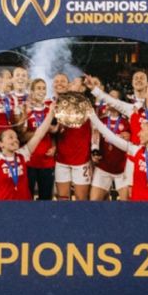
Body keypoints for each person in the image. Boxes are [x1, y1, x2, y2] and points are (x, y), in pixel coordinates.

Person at [88, 112, 148, 202]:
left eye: (142, 130)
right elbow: (110, 136)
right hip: (136, 207)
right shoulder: (136, 150)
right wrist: (91, 114)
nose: (138, 134)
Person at [0, 105, 55, 200]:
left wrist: (50, 114)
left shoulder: (23, 155)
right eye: (11, 137)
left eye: (16, 138)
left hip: (25, 208)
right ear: (1, 144)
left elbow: (39, 135)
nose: (15, 140)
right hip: (5, 210)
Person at [52, 73, 93, 201]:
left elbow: (95, 130)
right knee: (62, 199)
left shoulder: (88, 105)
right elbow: (53, 131)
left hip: (81, 159)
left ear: (82, 89)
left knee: (81, 199)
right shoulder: (55, 104)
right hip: (62, 158)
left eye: (72, 83)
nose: (69, 85)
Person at [19, 78, 57, 201]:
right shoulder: (26, 110)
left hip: (47, 161)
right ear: (32, 91)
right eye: (38, 88)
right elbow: (22, 136)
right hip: (29, 161)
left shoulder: (50, 110)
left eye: (44, 88)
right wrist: (42, 129)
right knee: (27, 197)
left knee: (46, 199)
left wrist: (54, 146)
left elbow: (55, 133)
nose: (42, 91)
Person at [89, 90, 131, 201]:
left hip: (122, 169)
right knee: (94, 202)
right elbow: (95, 138)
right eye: (107, 97)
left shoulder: (128, 123)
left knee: (127, 205)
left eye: (112, 97)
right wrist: (94, 151)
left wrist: (130, 138)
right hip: (103, 167)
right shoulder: (101, 120)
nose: (108, 100)